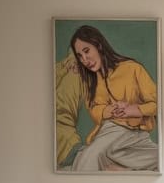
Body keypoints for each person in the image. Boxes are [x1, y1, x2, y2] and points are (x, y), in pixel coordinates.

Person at [68, 25, 159, 172]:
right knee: (91, 156)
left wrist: (134, 110)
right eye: (80, 56)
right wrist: (108, 110)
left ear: (98, 45)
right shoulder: (90, 81)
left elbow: (158, 103)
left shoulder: (132, 68)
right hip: (111, 131)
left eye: (87, 51)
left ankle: (119, 168)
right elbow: (94, 108)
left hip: (138, 136)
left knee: (161, 157)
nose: (85, 59)